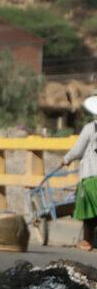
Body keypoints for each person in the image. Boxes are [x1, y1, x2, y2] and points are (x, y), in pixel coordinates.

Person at [62, 96, 97, 251]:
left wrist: (66, 159)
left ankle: (87, 241)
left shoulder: (90, 128)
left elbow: (78, 150)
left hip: (91, 176)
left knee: (89, 211)